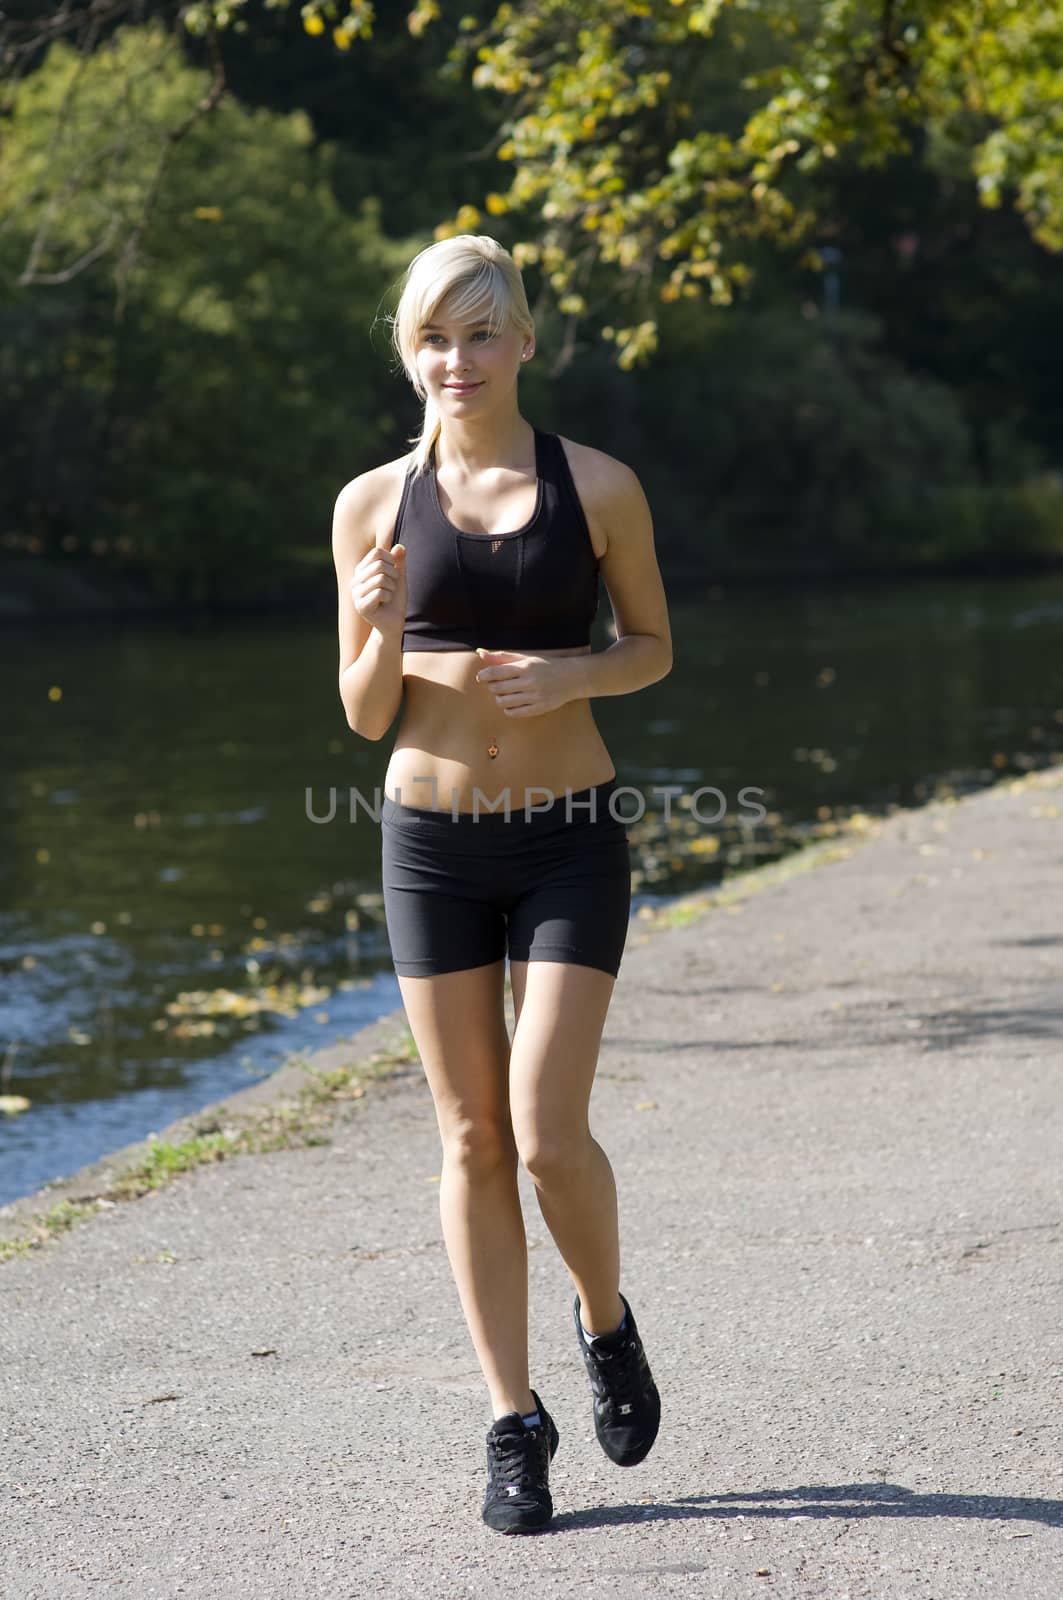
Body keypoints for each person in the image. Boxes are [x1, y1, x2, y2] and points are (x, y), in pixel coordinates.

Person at [331, 234, 673, 1534]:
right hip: (429, 846)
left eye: (481, 333)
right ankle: (513, 1421)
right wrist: (375, 615)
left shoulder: (599, 488)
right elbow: (365, 715)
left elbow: (651, 647)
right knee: (468, 1136)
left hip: (568, 833)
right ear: (406, 352)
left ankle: (606, 1322)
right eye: (432, 337)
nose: (456, 360)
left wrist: (575, 675)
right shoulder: (370, 504)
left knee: (543, 1128)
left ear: (526, 342)